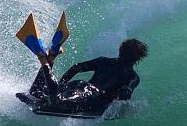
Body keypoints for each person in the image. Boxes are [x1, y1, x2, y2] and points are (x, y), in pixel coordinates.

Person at [18, 39, 148, 115]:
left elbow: (76, 67)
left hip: (78, 86)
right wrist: (123, 94)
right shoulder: (133, 77)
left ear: (121, 50)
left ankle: (51, 58)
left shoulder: (104, 61)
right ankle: (45, 60)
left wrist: (62, 83)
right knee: (56, 101)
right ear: (139, 58)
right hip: (89, 97)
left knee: (36, 92)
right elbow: (126, 92)